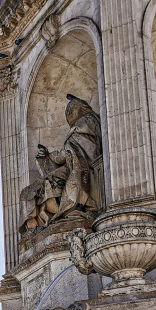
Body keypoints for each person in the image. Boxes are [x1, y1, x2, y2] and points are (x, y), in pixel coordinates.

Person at [20, 94, 102, 234]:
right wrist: (47, 156)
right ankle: (43, 220)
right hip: (75, 164)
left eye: (70, 110)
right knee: (33, 189)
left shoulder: (86, 123)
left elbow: (70, 152)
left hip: (83, 165)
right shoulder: (83, 125)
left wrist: (49, 156)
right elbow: (67, 153)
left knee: (49, 181)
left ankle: (65, 211)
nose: (68, 114)